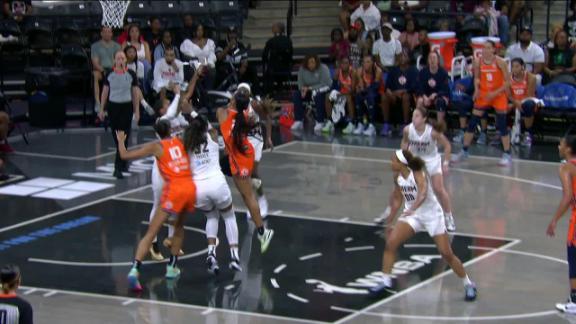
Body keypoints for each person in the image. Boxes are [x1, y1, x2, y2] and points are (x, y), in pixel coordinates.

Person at [369, 149, 476, 301]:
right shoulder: (397, 177)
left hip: (432, 215)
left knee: (446, 253)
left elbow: (423, 192)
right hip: (413, 216)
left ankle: (469, 284)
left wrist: (414, 207)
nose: (391, 163)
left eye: (393, 160)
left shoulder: (417, 172)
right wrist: (390, 219)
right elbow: (398, 199)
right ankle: (385, 282)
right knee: (391, 244)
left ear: (402, 163)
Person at [118, 120, 197, 291]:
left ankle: (134, 270)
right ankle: (171, 267)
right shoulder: (181, 141)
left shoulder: (156, 146)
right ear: (170, 129)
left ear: (157, 132)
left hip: (174, 189)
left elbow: (124, 156)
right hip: (190, 188)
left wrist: (120, 141)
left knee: (151, 233)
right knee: (179, 228)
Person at [217, 89, 274, 253]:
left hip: (241, 157)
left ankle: (264, 232)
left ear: (234, 103)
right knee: (244, 194)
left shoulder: (224, 114)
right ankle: (252, 181)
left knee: (248, 196)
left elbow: (221, 111)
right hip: (241, 153)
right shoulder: (242, 117)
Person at [186, 113, 243, 274]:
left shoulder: (188, 144)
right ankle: (234, 257)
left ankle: (211, 253)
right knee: (229, 217)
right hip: (217, 183)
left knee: (212, 217)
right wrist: (193, 112)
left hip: (199, 188)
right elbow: (223, 148)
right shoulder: (212, 137)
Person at [144, 85, 188, 261]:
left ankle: (171, 240)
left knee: (175, 204)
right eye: (167, 103)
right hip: (161, 170)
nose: (170, 105)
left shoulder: (177, 119)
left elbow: (185, 119)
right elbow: (172, 112)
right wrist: (178, 94)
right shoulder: (161, 121)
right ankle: (152, 245)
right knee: (158, 204)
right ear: (162, 109)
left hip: (174, 168)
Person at [454, 41, 512, 166]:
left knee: (502, 124)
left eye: (488, 48)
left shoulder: (501, 62)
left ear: (493, 50)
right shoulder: (478, 61)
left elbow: (508, 82)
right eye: (484, 48)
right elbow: (477, 78)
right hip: (484, 94)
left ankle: (507, 154)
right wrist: (476, 89)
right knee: (473, 122)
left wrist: (495, 93)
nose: (485, 50)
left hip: (498, 95)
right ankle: (464, 151)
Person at [399, 107, 455, 231]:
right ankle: (414, 216)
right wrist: (405, 155)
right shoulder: (407, 130)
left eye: (417, 116)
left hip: (432, 161)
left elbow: (447, 146)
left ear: (424, 119)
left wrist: (446, 163)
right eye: (413, 115)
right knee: (414, 190)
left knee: (439, 189)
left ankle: (448, 217)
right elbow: (404, 142)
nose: (414, 118)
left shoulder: (432, 132)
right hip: (417, 162)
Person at [546, 135, 576, 314]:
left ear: (569, 149)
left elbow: (567, 197)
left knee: (573, 256)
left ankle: (574, 301)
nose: (559, 146)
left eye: (561, 144)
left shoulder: (566, 167)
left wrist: (554, 220)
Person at [99, 50, 140, 179]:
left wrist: (136, 110)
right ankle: (123, 159)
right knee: (118, 137)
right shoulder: (109, 74)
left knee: (122, 136)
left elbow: (135, 93)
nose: (121, 61)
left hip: (126, 107)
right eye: (118, 58)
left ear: (125, 60)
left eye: (122, 58)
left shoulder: (131, 74)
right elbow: (105, 92)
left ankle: (117, 167)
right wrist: (101, 109)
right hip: (113, 107)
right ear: (114, 61)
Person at [290, 55, 332, 133]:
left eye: (313, 62)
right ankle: (299, 120)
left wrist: (310, 88)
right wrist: (302, 90)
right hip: (308, 91)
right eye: (309, 63)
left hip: (323, 90)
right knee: (296, 94)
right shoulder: (302, 69)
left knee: (318, 95)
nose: (311, 64)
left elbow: (325, 84)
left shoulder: (323, 68)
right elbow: (300, 84)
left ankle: (320, 121)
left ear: (316, 62)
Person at [380, 50, 417, 137]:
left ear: (409, 58)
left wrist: (403, 91)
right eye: (400, 56)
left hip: (408, 96)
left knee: (405, 97)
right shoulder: (393, 70)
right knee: (384, 97)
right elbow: (387, 86)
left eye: (405, 55)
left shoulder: (413, 70)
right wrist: (389, 92)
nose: (402, 58)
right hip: (394, 96)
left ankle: (404, 125)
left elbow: (414, 87)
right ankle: (386, 124)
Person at [91, 26, 121, 117]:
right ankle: (98, 103)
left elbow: (120, 61)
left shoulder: (117, 46)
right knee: (95, 75)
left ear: (112, 34)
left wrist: (114, 70)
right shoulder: (95, 46)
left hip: (114, 70)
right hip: (101, 70)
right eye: (105, 32)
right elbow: (95, 62)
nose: (107, 34)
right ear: (101, 33)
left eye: (109, 32)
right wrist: (103, 70)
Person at [509, 58, 539, 147]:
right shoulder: (508, 77)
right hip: (515, 102)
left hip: (528, 101)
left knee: (528, 105)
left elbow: (529, 95)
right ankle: (503, 132)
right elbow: (508, 94)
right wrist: (514, 103)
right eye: (513, 67)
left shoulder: (531, 77)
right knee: (501, 105)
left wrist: (517, 103)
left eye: (517, 66)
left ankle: (527, 133)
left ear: (522, 67)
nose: (514, 69)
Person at [415, 51, 451, 125]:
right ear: (428, 60)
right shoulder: (422, 72)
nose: (432, 60)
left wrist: (436, 94)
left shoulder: (443, 73)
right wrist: (424, 96)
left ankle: (439, 128)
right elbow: (419, 86)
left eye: (434, 58)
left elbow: (445, 89)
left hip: (438, 95)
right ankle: (419, 125)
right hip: (426, 95)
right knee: (420, 101)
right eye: (430, 58)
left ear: (438, 60)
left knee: (440, 102)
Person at [324, 56, 356, 134]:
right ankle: (330, 121)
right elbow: (333, 87)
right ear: (340, 64)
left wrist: (341, 93)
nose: (344, 65)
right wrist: (335, 78)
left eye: (346, 63)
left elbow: (352, 90)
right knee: (328, 96)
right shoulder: (338, 72)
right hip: (340, 93)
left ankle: (351, 123)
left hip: (351, 94)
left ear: (349, 64)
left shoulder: (353, 72)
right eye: (342, 63)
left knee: (348, 98)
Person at [180, 23, 217, 89]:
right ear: (194, 31)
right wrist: (199, 64)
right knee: (193, 72)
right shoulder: (187, 43)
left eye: (201, 30)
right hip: (194, 67)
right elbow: (189, 56)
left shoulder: (209, 42)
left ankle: (208, 92)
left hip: (207, 65)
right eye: (198, 30)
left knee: (212, 71)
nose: (200, 32)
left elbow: (212, 54)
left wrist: (208, 63)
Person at [353, 54, 382, 136]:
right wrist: (360, 88)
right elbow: (361, 85)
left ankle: (372, 126)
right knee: (358, 96)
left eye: (368, 62)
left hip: (378, 91)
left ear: (373, 63)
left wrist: (364, 90)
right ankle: (360, 124)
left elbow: (375, 86)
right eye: (364, 62)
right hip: (366, 91)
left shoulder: (378, 71)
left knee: (370, 97)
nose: (365, 64)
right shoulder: (359, 71)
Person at [262, 22, 293, 95]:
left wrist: (266, 62)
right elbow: (291, 54)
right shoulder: (288, 40)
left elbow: (264, 56)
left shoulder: (271, 41)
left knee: (268, 71)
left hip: (273, 69)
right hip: (285, 68)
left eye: (274, 27)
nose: (272, 28)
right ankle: (280, 87)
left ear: (278, 29)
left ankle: (268, 93)